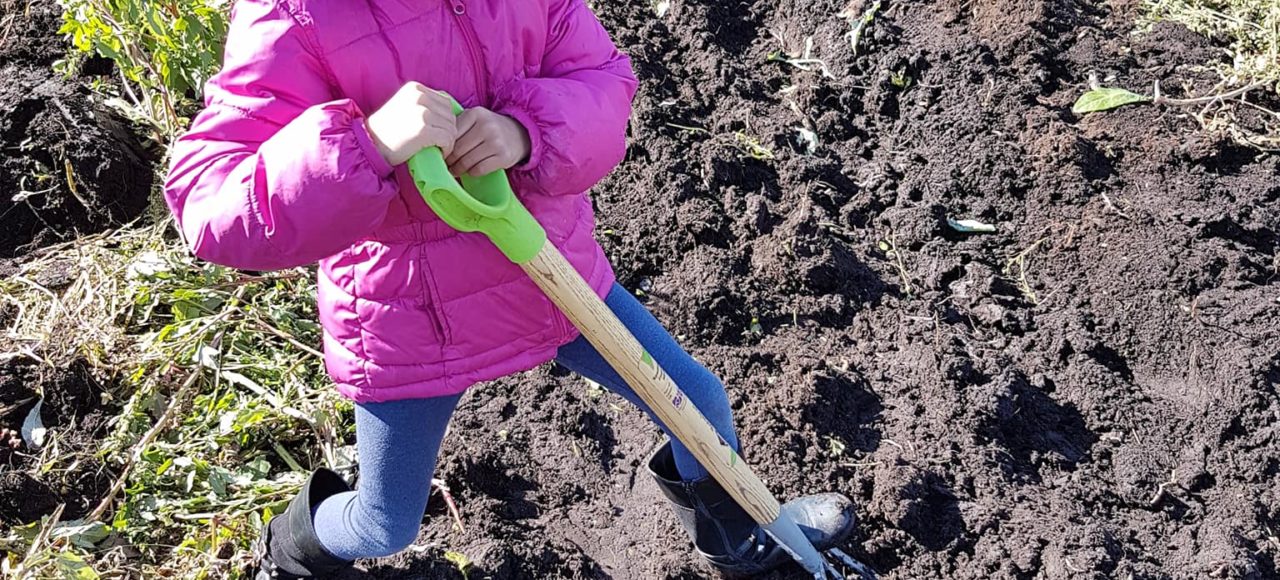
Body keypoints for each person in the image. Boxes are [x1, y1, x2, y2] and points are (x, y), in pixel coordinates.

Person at [164, 0, 856, 578]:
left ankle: (734, 538)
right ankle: (290, 552)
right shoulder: (294, 19)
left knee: (696, 403)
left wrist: (527, 131)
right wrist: (366, 145)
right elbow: (210, 204)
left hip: (548, 278)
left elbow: (602, 80)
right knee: (384, 524)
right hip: (411, 321)